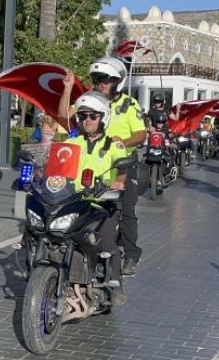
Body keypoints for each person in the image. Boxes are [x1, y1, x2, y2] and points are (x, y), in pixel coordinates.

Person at [60, 57, 146, 276]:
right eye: (96, 78)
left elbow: (141, 134)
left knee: (125, 209)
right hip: (90, 161)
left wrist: (121, 144)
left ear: (116, 81)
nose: (100, 83)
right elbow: (63, 119)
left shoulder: (128, 104)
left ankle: (131, 255)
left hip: (118, 164)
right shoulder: (88, 101)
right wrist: (67, 89)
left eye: (105, 79)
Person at [58, 90, 128, 305]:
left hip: (104, 203)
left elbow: (122, 166)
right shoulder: (74, 143)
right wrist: (44, 175)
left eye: (92, 116)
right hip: (76, 203)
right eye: (82, 116)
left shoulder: (114, 145)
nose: (86, 120)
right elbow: (59, 162)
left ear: (103, 117)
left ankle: (115, 284)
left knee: (105, 240)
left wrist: (118, 181)